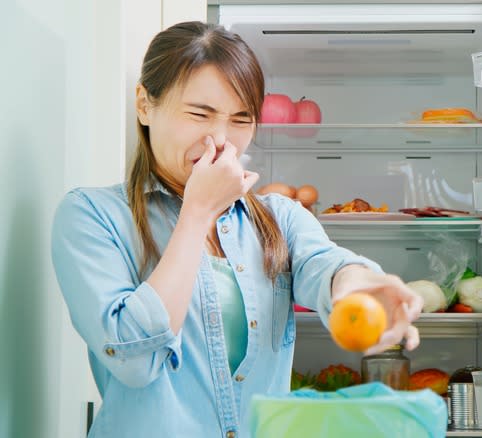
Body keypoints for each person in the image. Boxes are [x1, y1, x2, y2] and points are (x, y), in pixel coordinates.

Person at [51, 21, 424, 438]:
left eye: (241, 120)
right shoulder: (92, 216)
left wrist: (359, 286)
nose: (221, 140)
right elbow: (135, 361)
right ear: (144, 104)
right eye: (199, 114)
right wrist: (198, 212)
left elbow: (328, 265)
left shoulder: (279, 217)